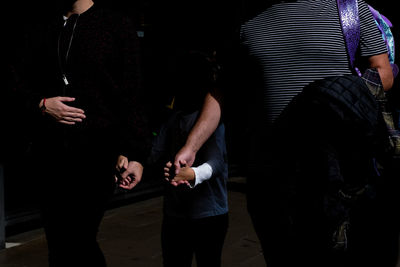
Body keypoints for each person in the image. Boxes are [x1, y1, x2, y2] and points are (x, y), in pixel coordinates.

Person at [235, 0, 395, 266]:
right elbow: (227, 89)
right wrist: (193, 145)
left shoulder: (351, 10)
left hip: (340, 174)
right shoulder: (248, 20)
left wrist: (333, 97)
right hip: (273, 175)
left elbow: (383, 72)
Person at [18, 0, 150, 266]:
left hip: (96, 152)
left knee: (80, 239)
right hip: (49, 152)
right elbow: (15, 81)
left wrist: (134, 152)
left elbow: (131, 92)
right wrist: (41, 104)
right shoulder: (41, 25)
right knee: (57, 242)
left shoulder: (115, 24)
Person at [146, 50, 229, 267]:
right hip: (175, 213)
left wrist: (193, 174)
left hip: (209, 214)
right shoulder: (173, 117)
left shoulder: (210, 119)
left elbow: (217, 162)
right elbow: (154, 153)